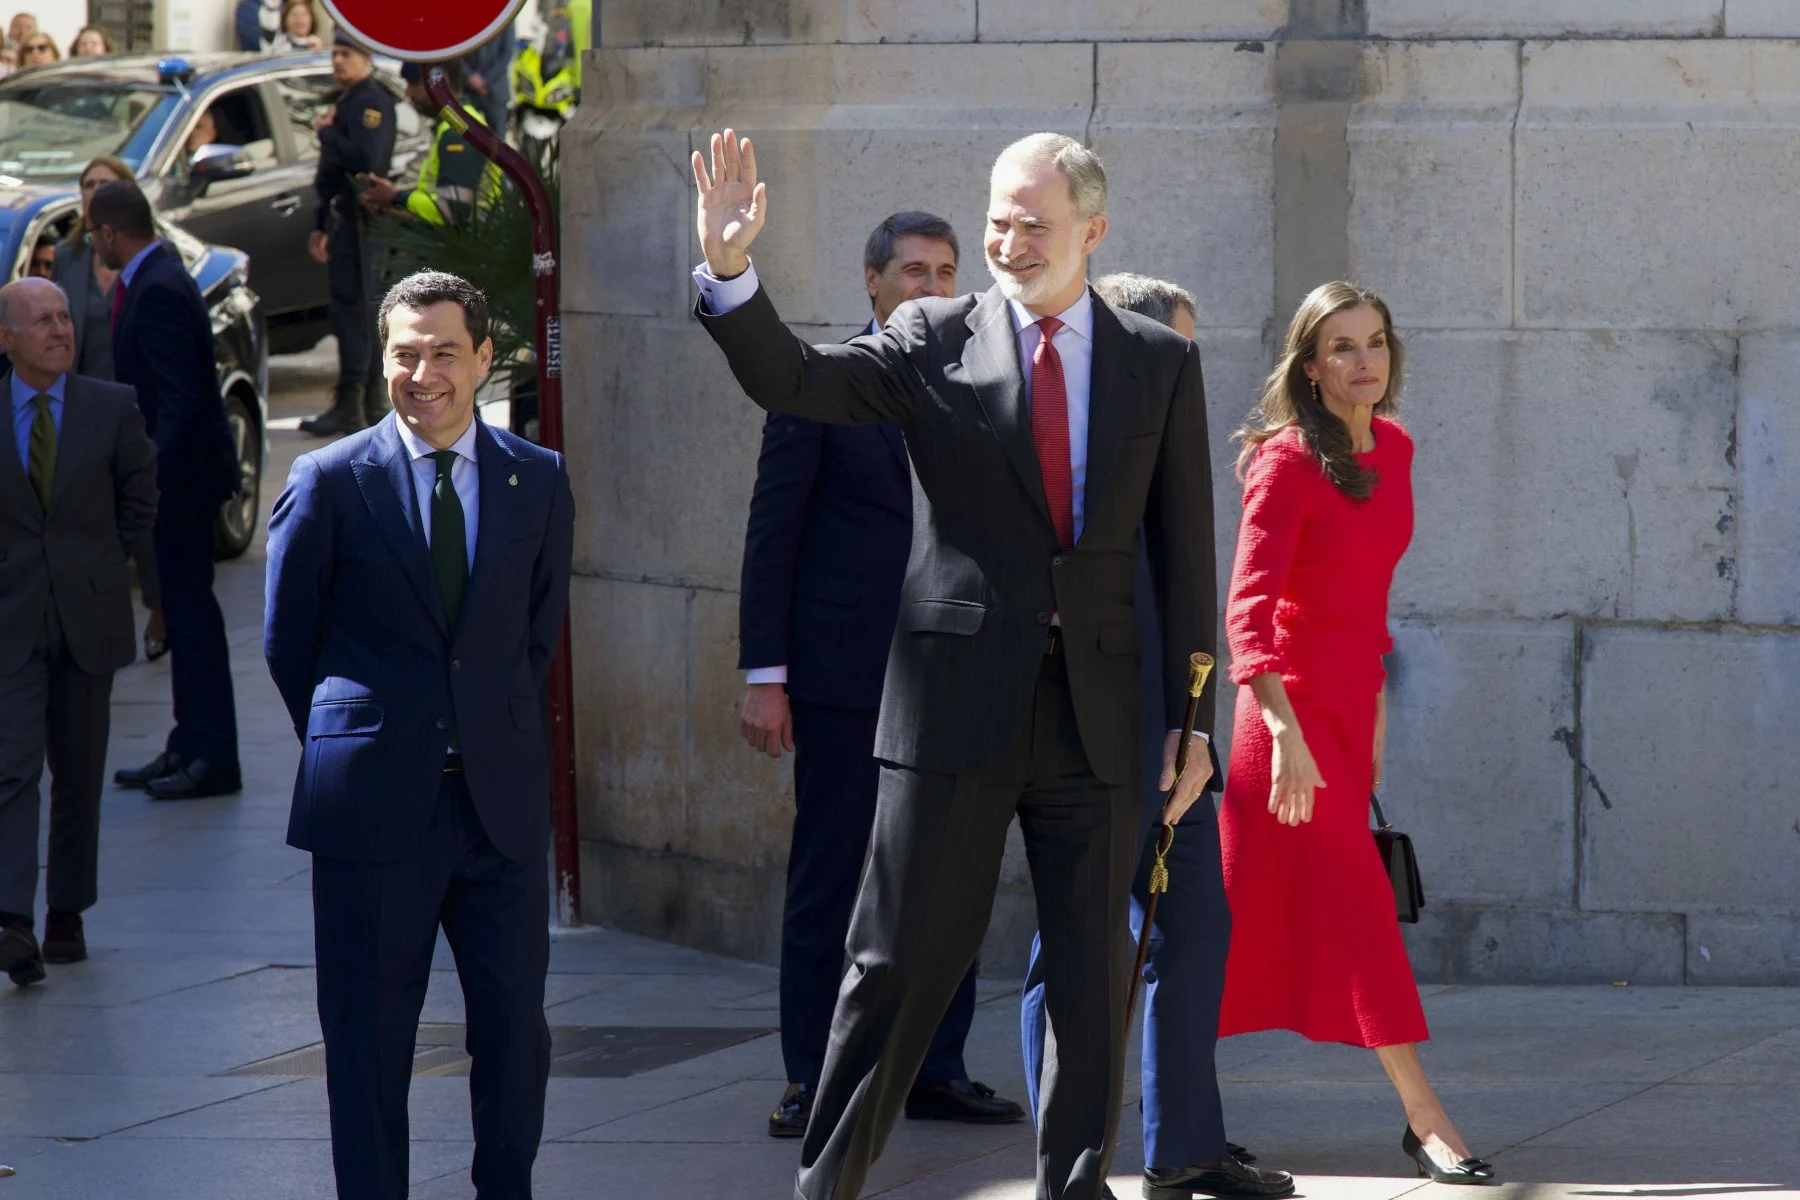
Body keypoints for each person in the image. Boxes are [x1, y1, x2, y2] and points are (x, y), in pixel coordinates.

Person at [692, 127, 1219, 1200]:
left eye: (1035, 223)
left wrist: (1193, 722)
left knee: (1090, 979)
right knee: (895, 967)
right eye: (997, 220)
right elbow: (794, 380)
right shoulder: (933, 335)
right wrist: (732, 271)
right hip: (951, 712)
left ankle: (1075, 1186)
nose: (1010, 242)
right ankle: (829, 1182)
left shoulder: (1157, 360)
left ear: (1091, 230)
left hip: (1102, 720)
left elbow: (1184, 552)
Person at [265, 270, 575, 1200]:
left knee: (517, 1032)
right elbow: (290, 645)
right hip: (370, 812)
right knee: (366, 1042)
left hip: (499, 810)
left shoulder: (537, 479)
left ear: (484, 358)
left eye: (444, 351)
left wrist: (486, 734)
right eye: (405, 352)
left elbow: (535, 638)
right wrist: (359, 745)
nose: (423, 372)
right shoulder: (328, 479)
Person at [738, 211, 1024, 1140]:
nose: (931, 289)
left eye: (946, 273)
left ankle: (934, 1069)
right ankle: (809, 1075)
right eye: (911, 272)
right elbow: (773, 534)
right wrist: (765, 676)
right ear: (872, 282)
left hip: (954, 680)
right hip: (844, 682)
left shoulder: (982, 389)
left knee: (948, 882)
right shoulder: (820, 383)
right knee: (833, 878)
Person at [1016, 273, 1290, 1200]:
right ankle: (1069, 1154)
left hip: (1175, 742)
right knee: (1069, 947)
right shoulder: (1077, 456)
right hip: (1093, 737)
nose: (1187, 375)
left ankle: (1185, 1148)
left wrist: (1194, 728)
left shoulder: (1162, 453)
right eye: (1176, 351)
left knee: (1194, 930)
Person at [1219, 282, 1495, 1186]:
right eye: (1341, 347)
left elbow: (1369, 597)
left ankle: (1177, 1115)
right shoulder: (1286, 461)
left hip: (1348, 708)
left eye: (1375, 341)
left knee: (1242, 923)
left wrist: (1373, 705)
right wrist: (1286, 732)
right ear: (1309, 365)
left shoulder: (1399, 448)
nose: (1364, 360)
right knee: (1340, 912)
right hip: (1285, 719)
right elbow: (1249, 613)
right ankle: (1428, 1118)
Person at [0, 277, 158, 986]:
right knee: (11, 768)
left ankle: (67, 908)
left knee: (79, 770)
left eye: (64, 316)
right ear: (7, 338)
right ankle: (12, 920)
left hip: (87, 615)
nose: (60, 330)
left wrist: (101, 563)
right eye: (42, 321)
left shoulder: (110, 406)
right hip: (10, 618)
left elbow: (139, 498)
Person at [89, 181, 242, 801]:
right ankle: (188, 742)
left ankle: (212, 754)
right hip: (178, 484)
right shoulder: (156, 278)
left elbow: (176, 400)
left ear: (107, 233)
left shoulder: (155, 289)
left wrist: (144, 475)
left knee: (191, 616)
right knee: (181, 614)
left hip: (181, 489)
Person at [52, 156, 165, 663]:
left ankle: (159, 609)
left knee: (142, 515)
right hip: (84, 407)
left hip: (136, 406)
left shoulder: (150, 257)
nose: (94, 192)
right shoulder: (68, 254)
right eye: (87, 184)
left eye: (105, 184)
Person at [300, 31, 396, 436]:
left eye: (346, 54)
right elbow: (330, 176)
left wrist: (325, 133)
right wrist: (320, 224)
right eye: (334, 53)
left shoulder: (370, 102)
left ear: (366, 58)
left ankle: (361, 404)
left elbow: (362, 159)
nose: (337, 61)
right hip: (341, 221)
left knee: (357, 312)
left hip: (361, 224)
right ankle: (358, 403)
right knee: (346, 311)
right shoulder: (346, 101)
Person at [359, 62, 502, 228]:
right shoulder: (457, 124)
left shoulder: (457, 134)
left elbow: (452, 212)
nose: (407, 92)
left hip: (466, 248)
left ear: (441, 81)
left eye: (413, 83)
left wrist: (397, 197)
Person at [459, 23, 513, 141]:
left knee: (498, 146)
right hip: (467, 91)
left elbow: (507, 53)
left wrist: (484, 80)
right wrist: (469, 77)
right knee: (465, 141)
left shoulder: (505, 15)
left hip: (495, 91)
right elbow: (454, 50)